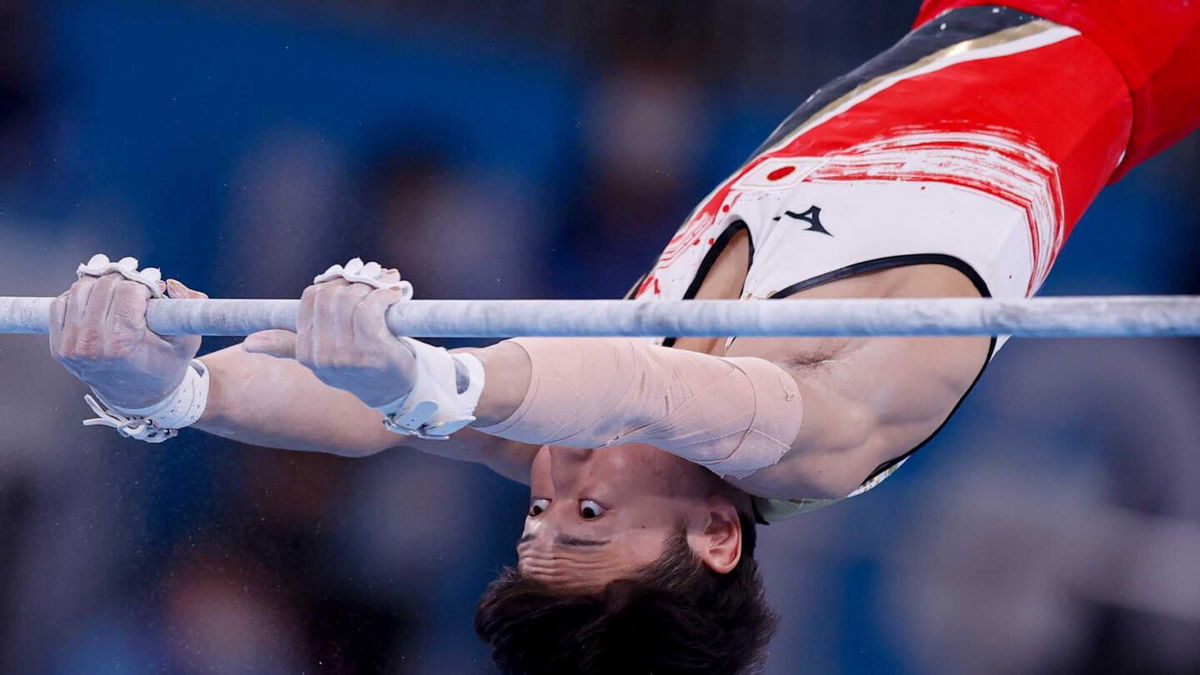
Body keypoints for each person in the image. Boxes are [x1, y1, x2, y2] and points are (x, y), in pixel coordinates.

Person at [47, 1, 1199, 673]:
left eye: (539, 515)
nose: (556, 485)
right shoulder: (816, 438)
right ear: (713, 540)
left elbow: (364, 418)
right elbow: (639, 392)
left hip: (966, 20)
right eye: (586, 520)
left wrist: (169, 394)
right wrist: (430, 383)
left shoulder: (598, 447)